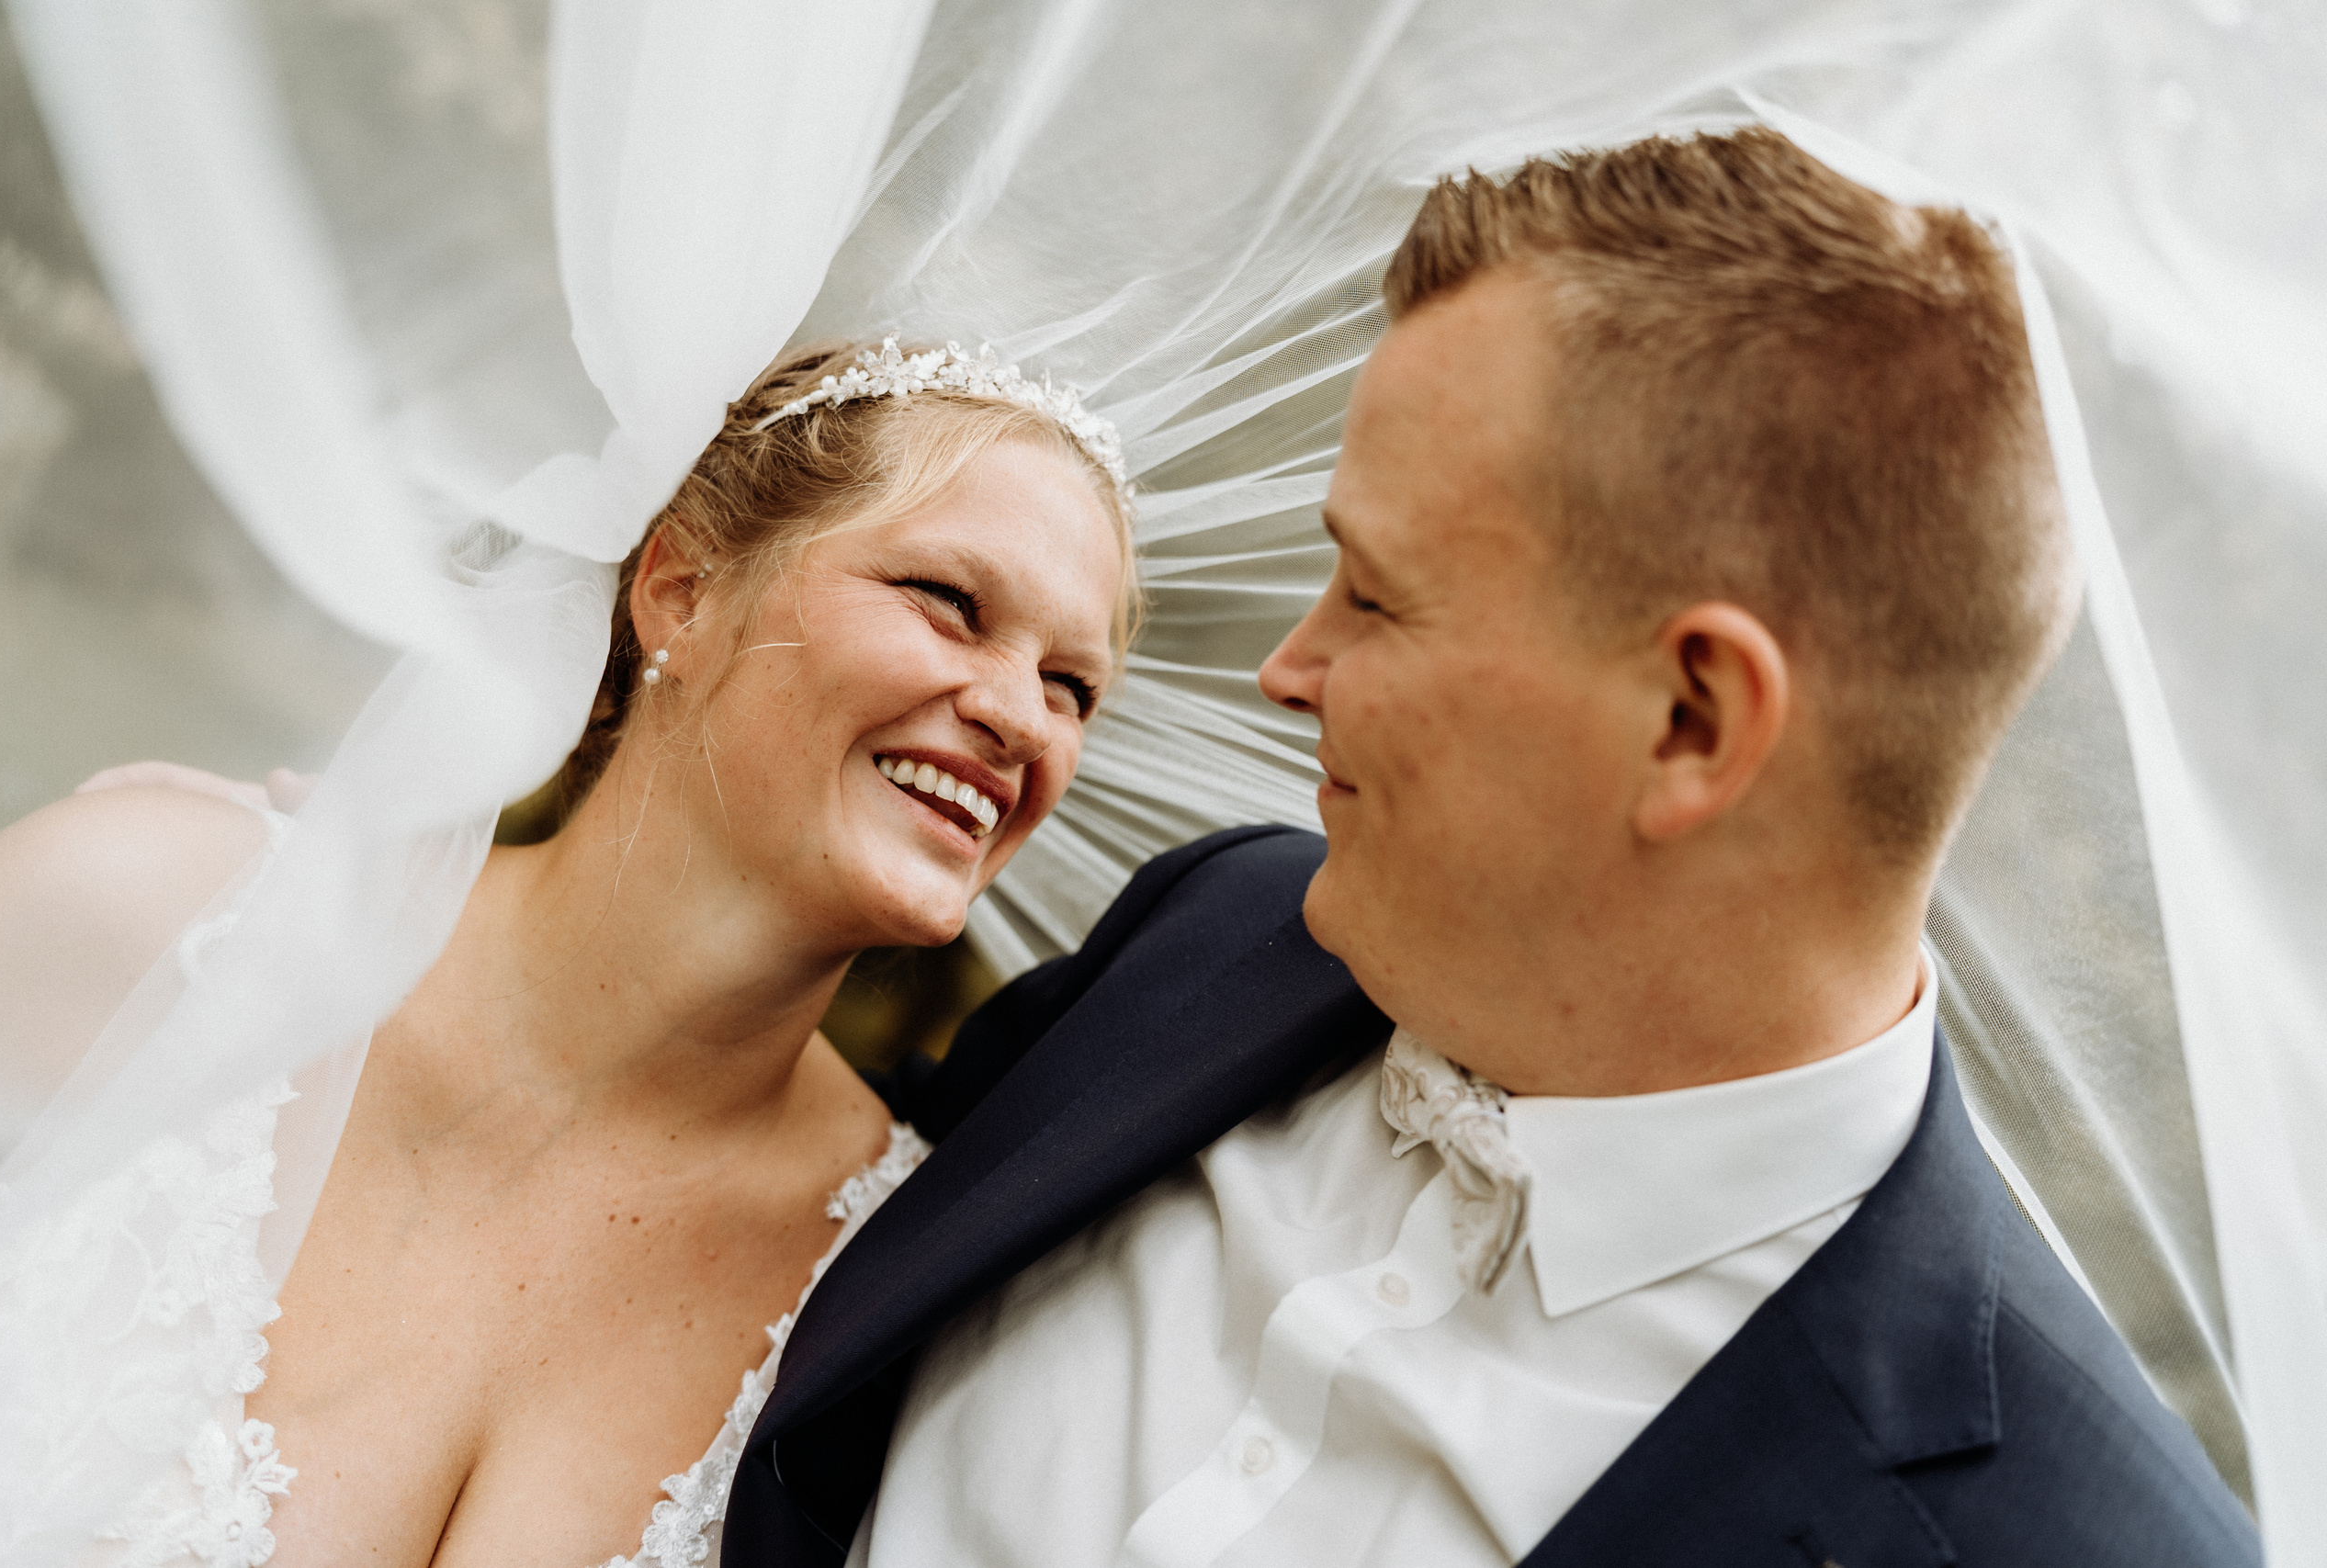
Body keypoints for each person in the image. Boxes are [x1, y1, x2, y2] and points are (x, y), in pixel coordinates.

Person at [723, 130, 2261, 1565]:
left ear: (1692, 720)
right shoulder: (1208, 943)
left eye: (1376, 597)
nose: (1289, 669)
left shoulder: (2063, 1535)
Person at [0, 338, 1135, 1566]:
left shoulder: (917, 1296)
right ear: (683, 588)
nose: (1022, 719)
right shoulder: (153, 920)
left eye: (1073, 687)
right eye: (950, 603)